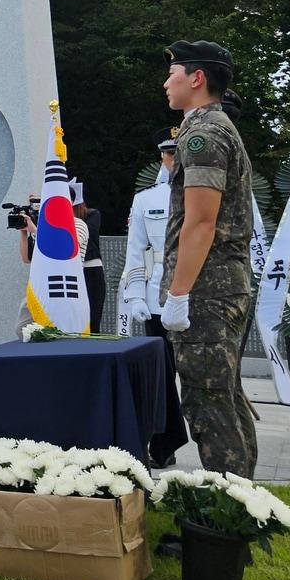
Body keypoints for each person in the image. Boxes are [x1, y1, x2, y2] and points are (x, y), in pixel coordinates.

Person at [159, 39, 258, 478]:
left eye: (173, 73)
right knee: (225, 397)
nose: (167, 82)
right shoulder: (211, 128)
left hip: (207, 292)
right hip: (220, 287)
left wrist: (179, 294)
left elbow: (202, 222)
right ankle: (239, 512)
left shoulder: (202, 135)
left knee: (209, 404)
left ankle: (223, 530)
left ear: (197, 79)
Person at [122, 127, 184, 467]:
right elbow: (136, 252)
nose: (173, 159)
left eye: (179, 152)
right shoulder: (146, 199)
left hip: (197, 296)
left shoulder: (201, 190)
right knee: (160, 377)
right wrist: (134, 296)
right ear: (161, 155)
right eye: (169, 152)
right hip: (157, 296)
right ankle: (163, 445)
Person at [70, 181, 105, 331]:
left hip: (90, 269)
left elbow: (86, 238)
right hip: (71, 271)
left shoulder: (92, 215)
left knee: (92, 319)